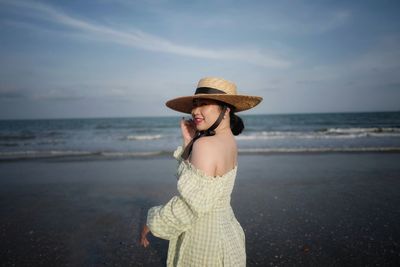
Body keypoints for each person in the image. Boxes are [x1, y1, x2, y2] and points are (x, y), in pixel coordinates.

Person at [139, 77, 262, 266]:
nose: (195, 110)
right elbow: (198, 188)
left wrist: (152, 222)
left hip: (205, 241)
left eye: (203, 103)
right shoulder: (228, 141)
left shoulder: (206, 145)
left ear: (226, 109)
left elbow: (189, 206)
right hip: (227, 233)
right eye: (194, 104)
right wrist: (189, 142)